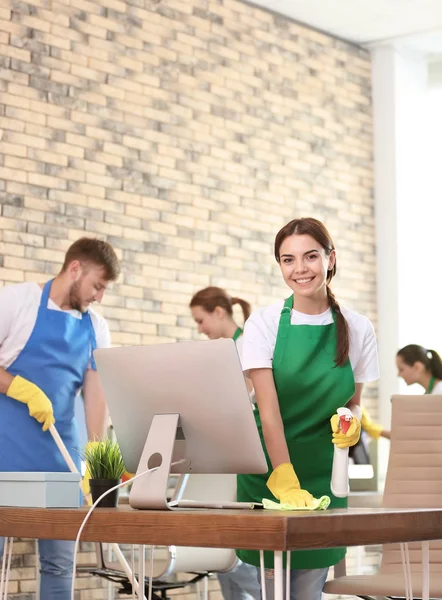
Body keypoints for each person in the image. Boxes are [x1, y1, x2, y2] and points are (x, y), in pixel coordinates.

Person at [237, 217, 380, 600]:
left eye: (310, 256)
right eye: (288, 260)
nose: (299, 269)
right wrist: (282, 473)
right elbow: (268, 412)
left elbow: (351, 401)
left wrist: (350, 423)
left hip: (324, 477)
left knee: (307, 589)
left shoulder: (358, 327)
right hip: (270, 473)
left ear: (330, 259)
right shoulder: (264, 324)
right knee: (273, 590)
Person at [0, 237, 120, 600]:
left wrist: (95, 464)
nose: (99, 296)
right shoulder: (15, 302)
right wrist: (18, 387)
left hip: (59, 456)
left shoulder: (95, 327)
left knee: (59, 564)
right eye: (98, 285)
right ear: (74, 269)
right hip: (4, 451)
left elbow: (96, 400)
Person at [189, 286, 260, 600]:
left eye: (201, 320)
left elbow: (246, 396)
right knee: (224, 545)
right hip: (226, 451)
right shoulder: (224, 349)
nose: (200, 329)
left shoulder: (247, 345)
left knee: (234, 547)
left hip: (244, 452)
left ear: (219, 312)